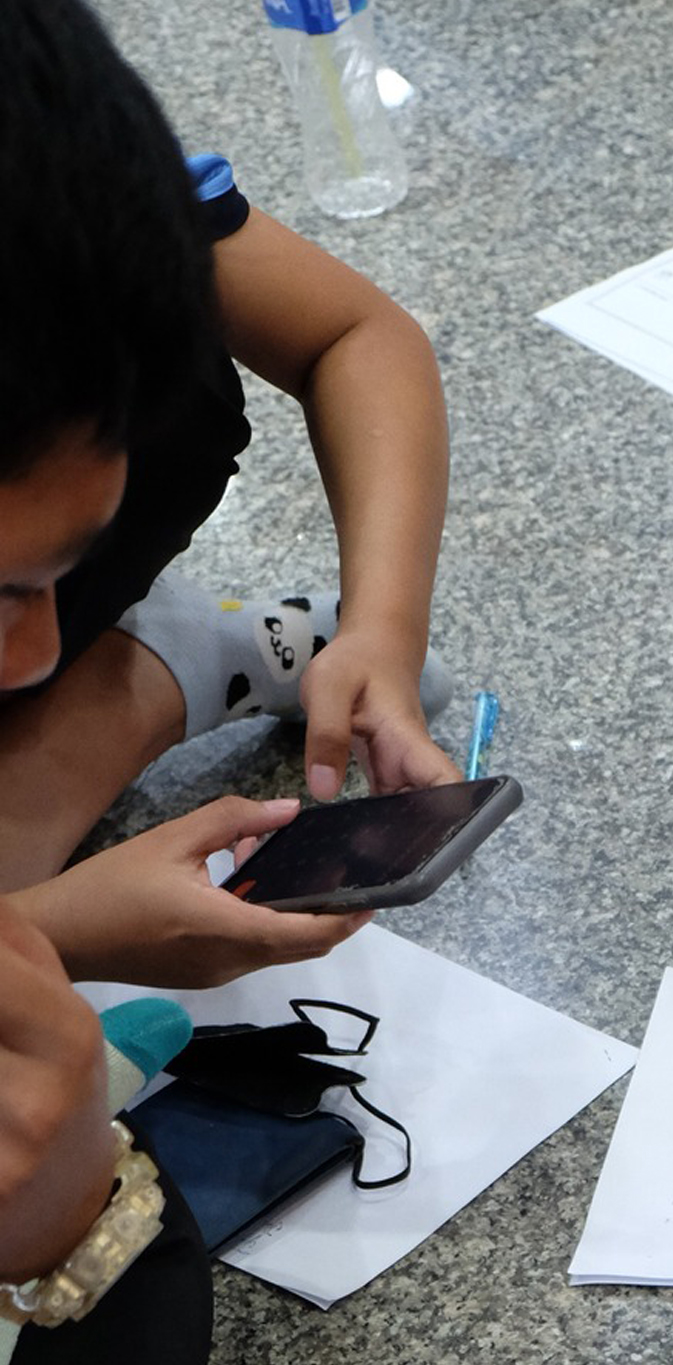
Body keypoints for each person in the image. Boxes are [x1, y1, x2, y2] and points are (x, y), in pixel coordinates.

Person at [0, 0, 462, 985]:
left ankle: (158, 653)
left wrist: (383, 626)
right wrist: (57, 936)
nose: (36, 653)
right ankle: (159, 668)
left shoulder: (65, 185)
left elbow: (355, 337)